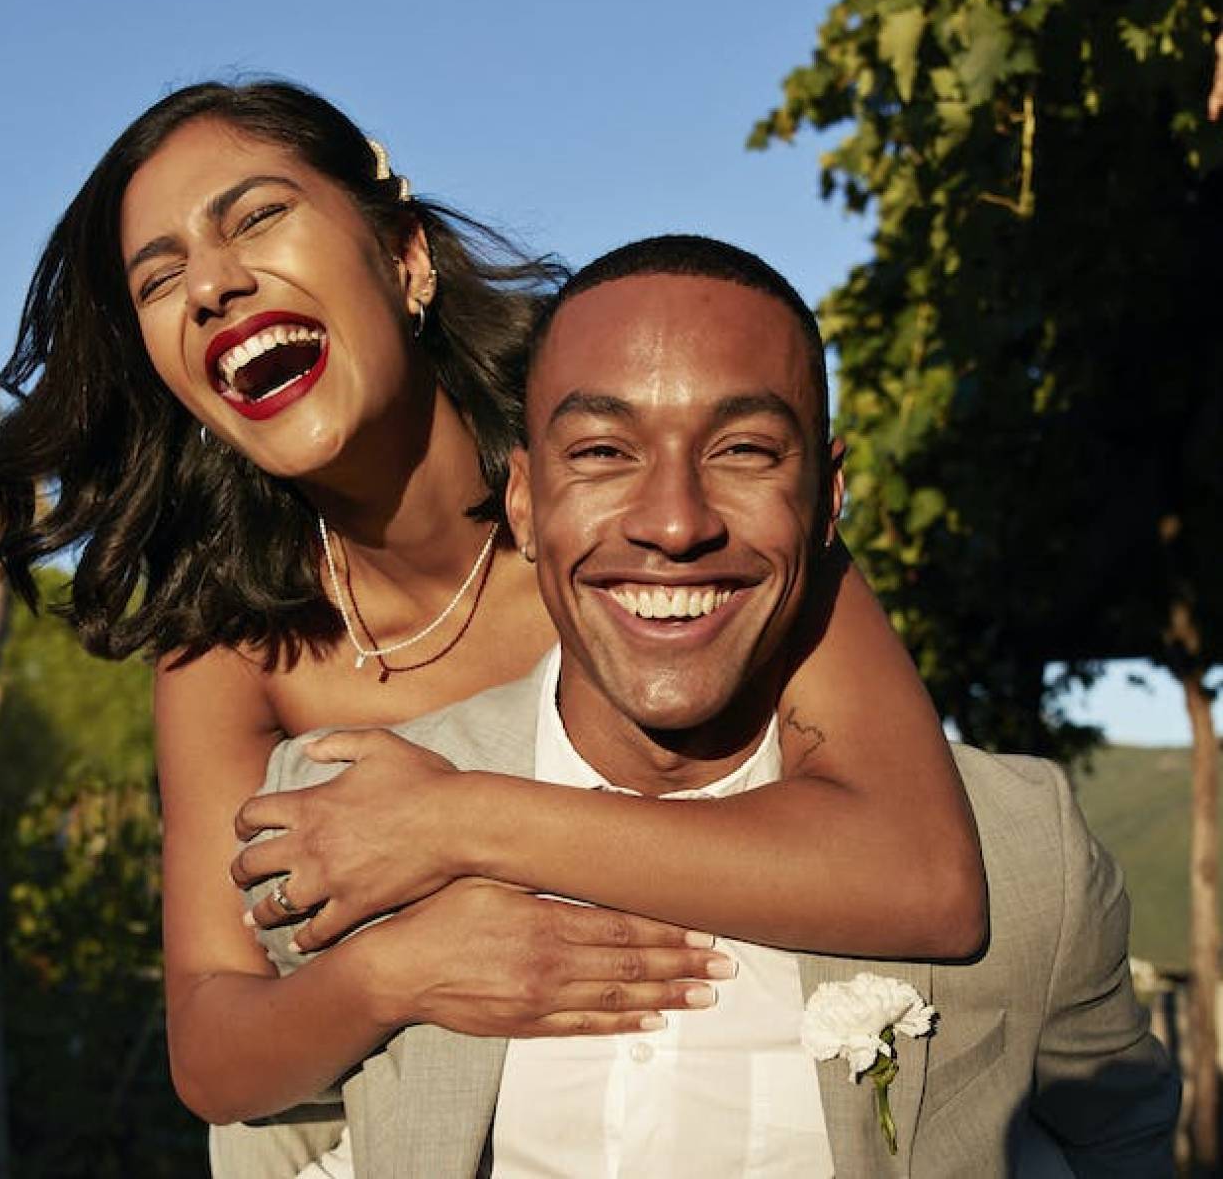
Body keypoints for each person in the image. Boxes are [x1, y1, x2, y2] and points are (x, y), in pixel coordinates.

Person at [0, 81, 983, 1157]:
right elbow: (214, 1054)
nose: (213, 284)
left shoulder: (650, 493)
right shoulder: (226, 639)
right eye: (161, 278)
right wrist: (392, 972)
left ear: (407, 257)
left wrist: (454, 821)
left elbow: (920, 876)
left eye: (257, 216)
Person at [242, 235, 1179, 1177]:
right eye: (604, 451)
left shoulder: (1025, 857)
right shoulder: (348, 817)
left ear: (827, 498)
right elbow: (271, 1133)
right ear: (524, 502)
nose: (677, 523)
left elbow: (1118, 1139)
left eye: (744, 450)